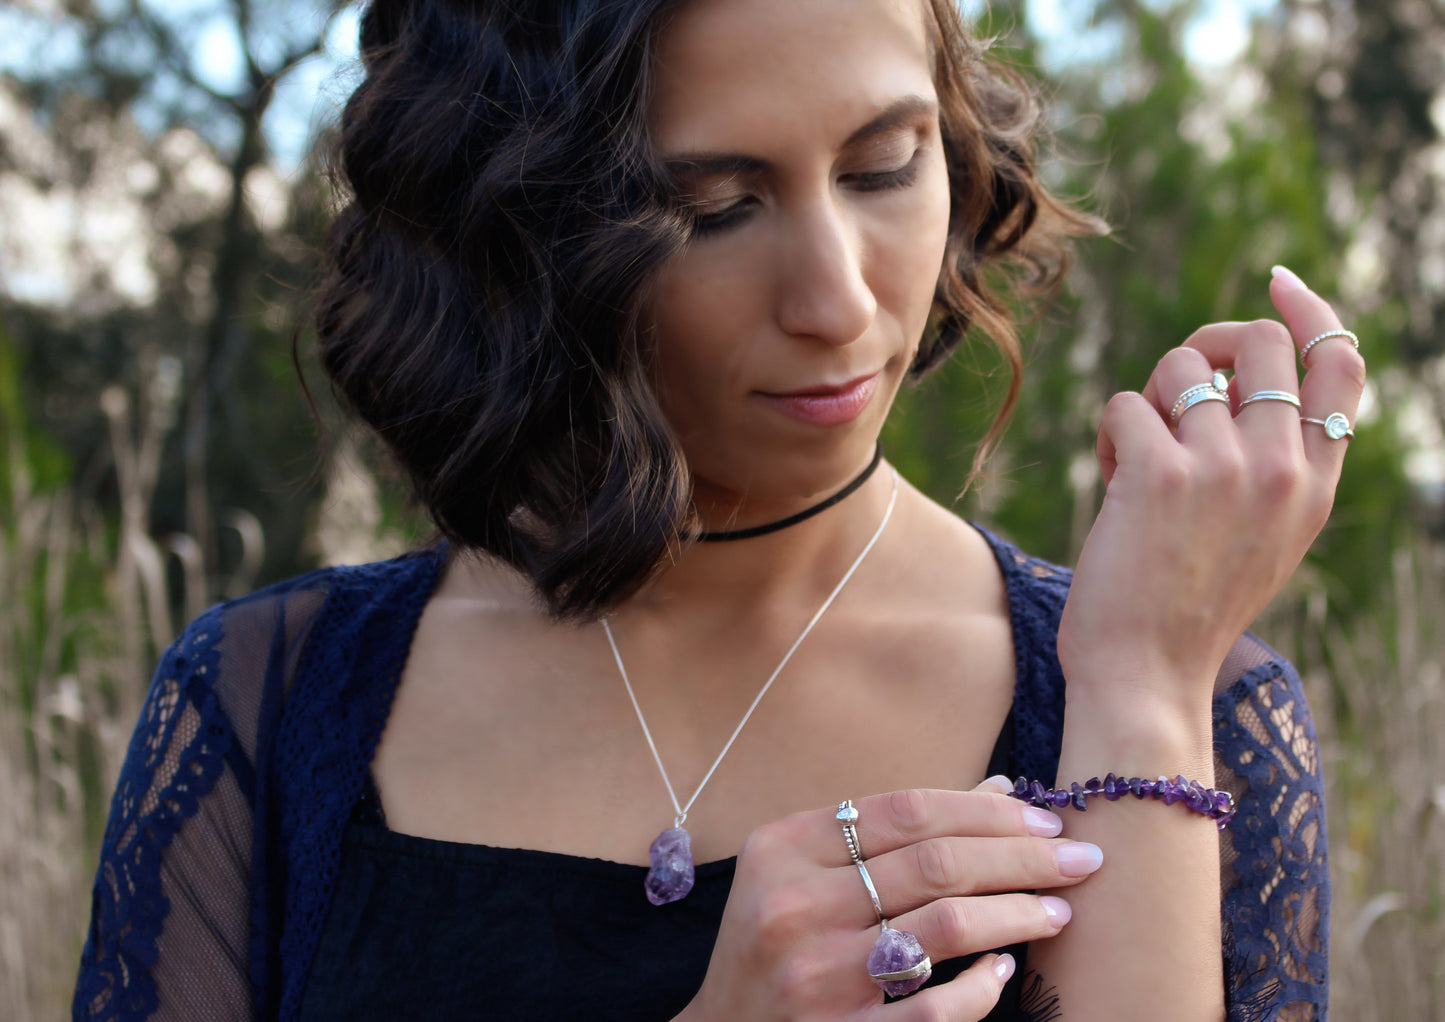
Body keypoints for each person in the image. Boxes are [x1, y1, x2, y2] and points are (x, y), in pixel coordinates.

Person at [73, 0, 1349, 1018]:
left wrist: (1136, 683)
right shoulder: (266, 703)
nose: (840, 303)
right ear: (511, 226)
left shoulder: (1192, 715)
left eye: (884, 165)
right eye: (712, 208)